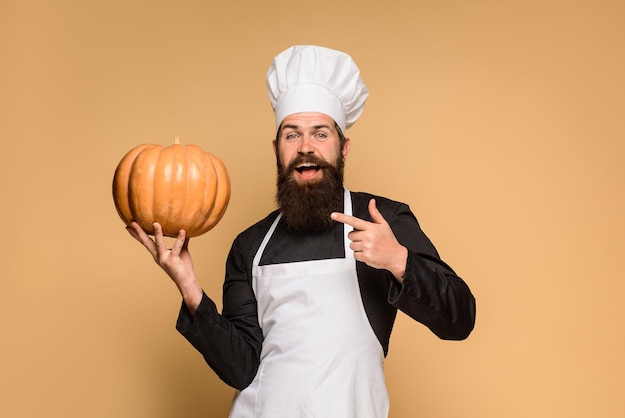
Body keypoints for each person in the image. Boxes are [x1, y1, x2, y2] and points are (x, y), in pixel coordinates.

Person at [127, 45, 476, 418]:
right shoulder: (250, 245)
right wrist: (189, 289)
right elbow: (241, 369)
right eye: (291, 135)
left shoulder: (383, 221)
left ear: (344, 150)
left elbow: (459, 320)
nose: (306, 147)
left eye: (320, 134)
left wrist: (398, 260)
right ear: (276, 149)